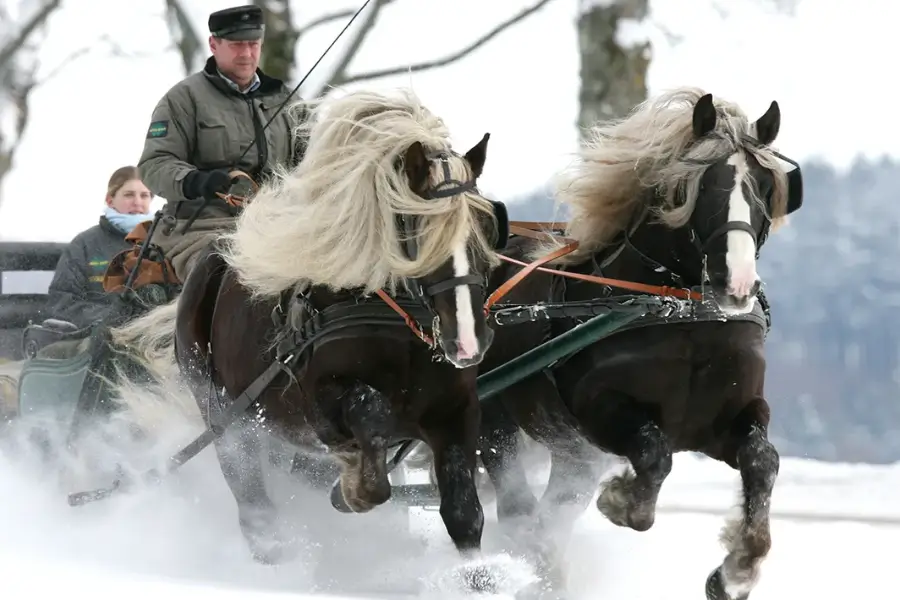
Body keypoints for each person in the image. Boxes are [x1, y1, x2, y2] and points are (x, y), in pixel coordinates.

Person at [137, 4, 305, 282]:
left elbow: (316, 161)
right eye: (237, 45)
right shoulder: (183, 99)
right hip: (199, 227)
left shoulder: (286, 100)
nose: (247, 54)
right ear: (214, 44)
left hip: (278, 224)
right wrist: (196, 181)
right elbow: (154, 164)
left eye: (254, 44)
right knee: (226, 275)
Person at [45, 166, 154, 328]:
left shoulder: (163, 242)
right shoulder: (84, 245)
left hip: (154, 336)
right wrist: (115, 318)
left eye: (144, 195)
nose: (137, 202)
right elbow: (62, 303)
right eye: (128, 195)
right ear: (110, 200)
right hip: (97, 338)